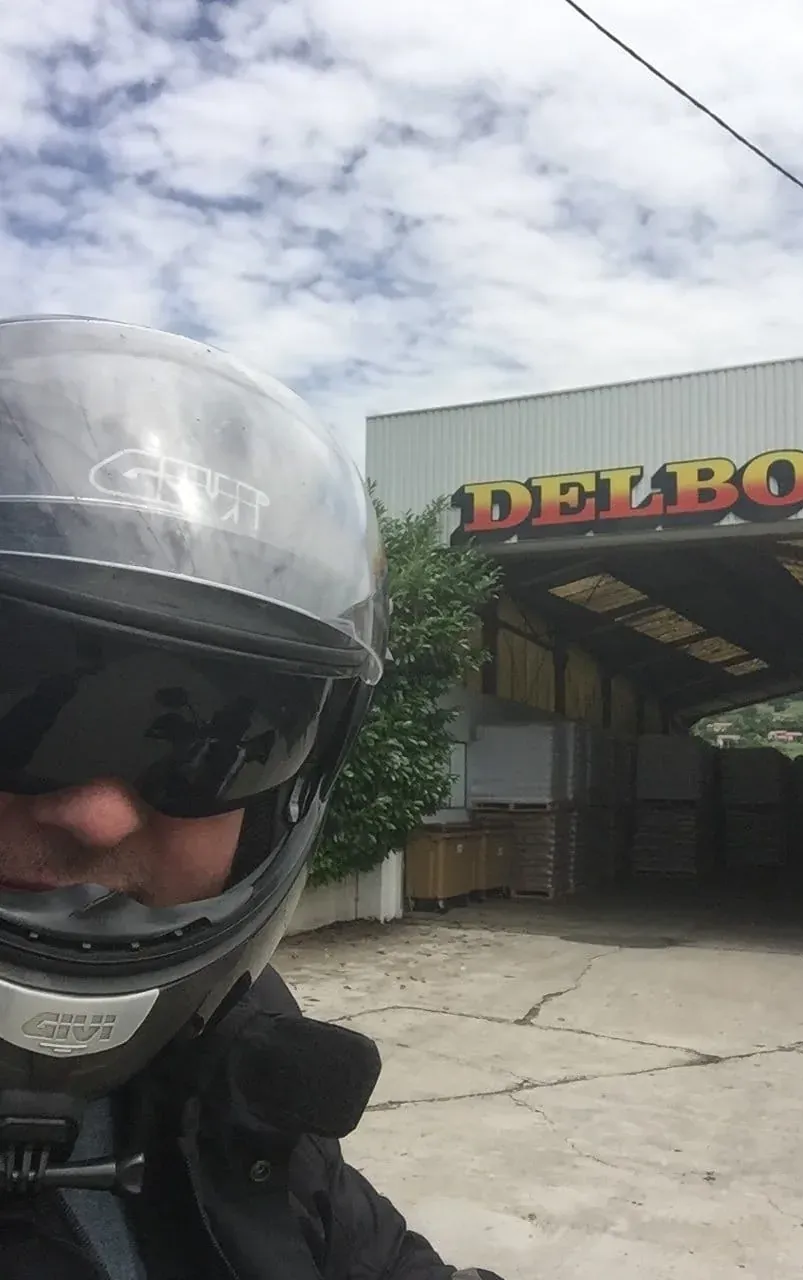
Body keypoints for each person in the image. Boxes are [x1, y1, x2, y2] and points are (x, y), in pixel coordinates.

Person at [0, 314, 504, 1280]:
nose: (97, 815)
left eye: (213, 750)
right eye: (23, 707)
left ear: (287, 797)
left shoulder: (228, 1074)